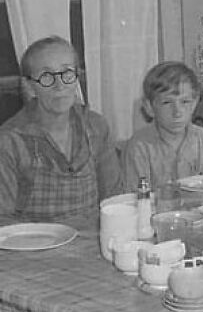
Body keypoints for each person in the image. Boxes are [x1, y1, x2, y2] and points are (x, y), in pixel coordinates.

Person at [0, 35, 122, 229]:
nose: (60, 86)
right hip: (33, 250)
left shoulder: (96, 127)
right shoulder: (10, 140)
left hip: (92, 245)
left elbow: (115, 200)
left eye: (66, 72)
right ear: (30, 86)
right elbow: (3, 221)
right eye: (47, 76)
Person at [122, 61, 203, 192]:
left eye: (185, 102)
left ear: (194, 103)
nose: (177, 112)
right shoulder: (139, 146)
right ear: (149, 107)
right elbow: (136, 197)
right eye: (167, 102)